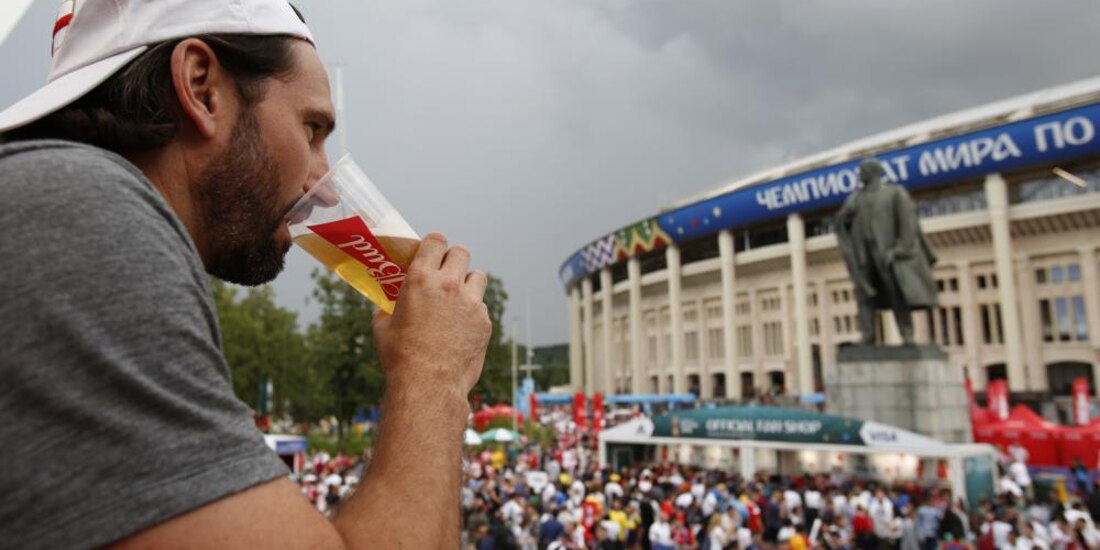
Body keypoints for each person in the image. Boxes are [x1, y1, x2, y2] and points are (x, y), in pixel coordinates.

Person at [0, 1, 492, 548]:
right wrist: (434, 372)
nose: (326, 186)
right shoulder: (79, 210)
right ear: (201, 86)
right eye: (312, 129)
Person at [834, 157, 939, 344]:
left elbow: (908, 225)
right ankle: (868, 336)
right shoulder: (856, 199)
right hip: (864, 256)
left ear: (874, 172)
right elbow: (841, 222)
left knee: (896, 293)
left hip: (887, 253)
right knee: (864, 295)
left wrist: (899, 250)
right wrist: (843, 222)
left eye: (863, 171)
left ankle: (907, 334)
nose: (860, 175)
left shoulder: (894, 193)